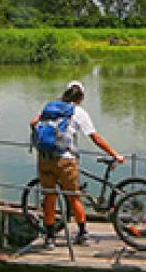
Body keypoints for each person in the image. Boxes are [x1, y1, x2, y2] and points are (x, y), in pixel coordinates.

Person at [31, 81, 124, 248]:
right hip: (65, 160)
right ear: (81, 97)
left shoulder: (50, 107)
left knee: (49, 197)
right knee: (74, 197)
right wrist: (114, 154)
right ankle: (82, 234)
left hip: (44, 157)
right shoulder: (78, 112)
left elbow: (33, 123)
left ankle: (50, 238)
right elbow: (95, 138)